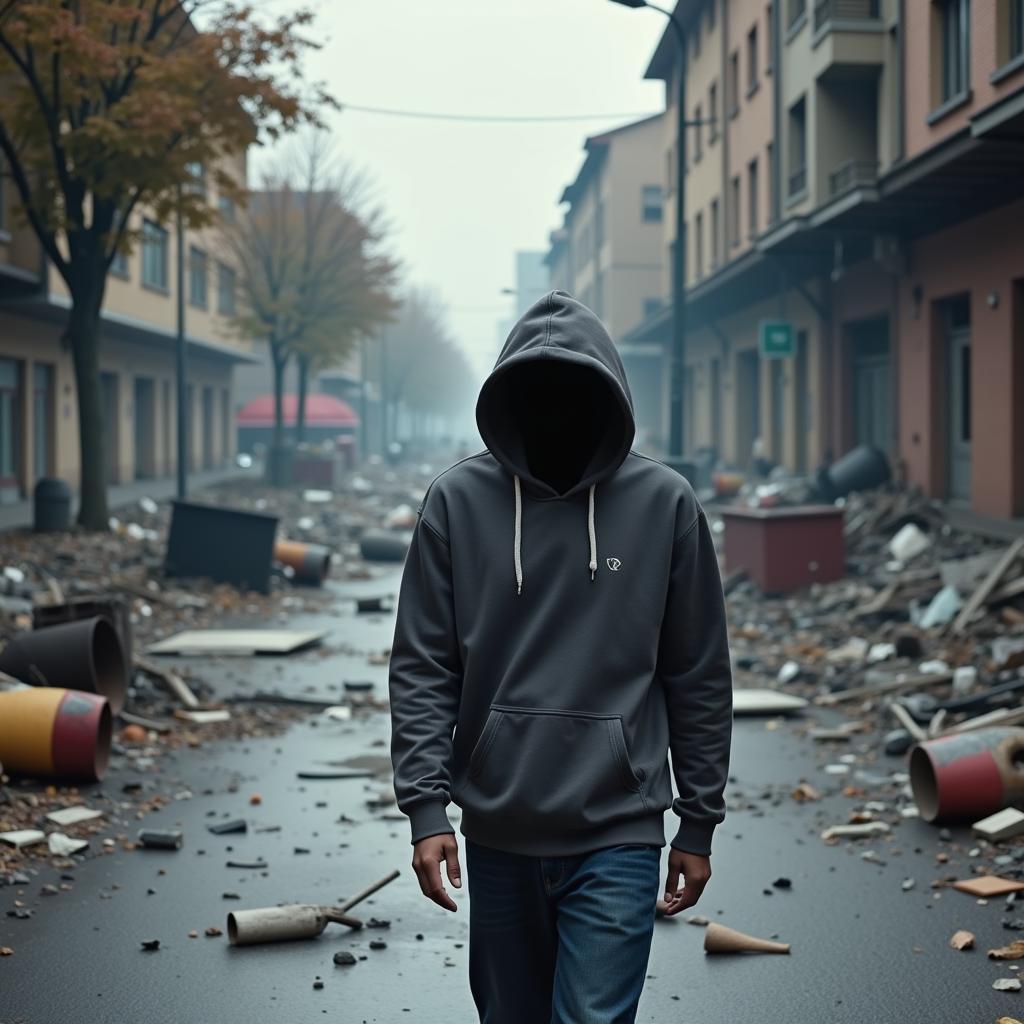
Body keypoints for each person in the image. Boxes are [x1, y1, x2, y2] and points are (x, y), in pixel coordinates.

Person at [388, 289, 734, 1024]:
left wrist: (697, 823)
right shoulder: (457, 503)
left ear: (608, 395)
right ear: (508, 397)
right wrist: (425, 809)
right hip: (500, 829)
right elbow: (423, 666)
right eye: (537, 390)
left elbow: (698, 673)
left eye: (576, 389)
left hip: (620, 829)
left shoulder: (664, 505)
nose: (556, 407)